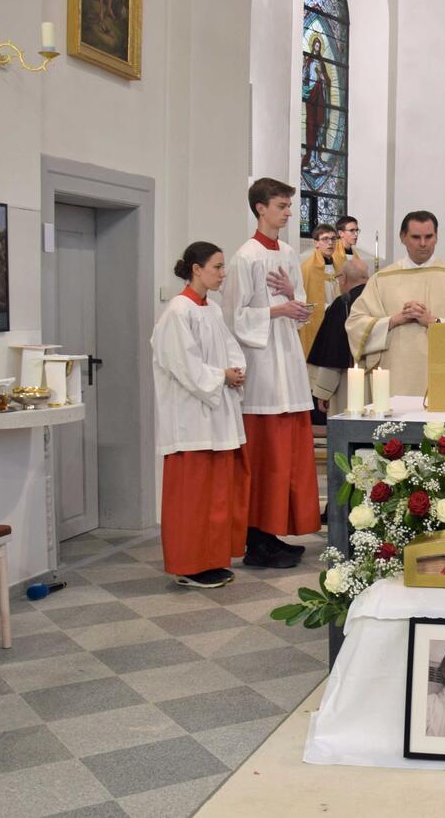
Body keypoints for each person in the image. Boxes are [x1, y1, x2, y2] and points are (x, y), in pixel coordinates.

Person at [221, 177, 320, 569]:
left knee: (288, 457)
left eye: (288, 205)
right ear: (260, 208)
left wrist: (296, 304)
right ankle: (256, 540)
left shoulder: (289, 251)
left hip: (287, 364)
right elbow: (233, 318)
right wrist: (279, 309)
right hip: (262, 371)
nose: (289, 211)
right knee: (265, 457)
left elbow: (293, 310)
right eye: (281, 205)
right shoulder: (245, 257)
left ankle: (273, 533)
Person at [151, 242, 247, 588]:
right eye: (217, 267)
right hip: (189, 419)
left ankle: (211, 559)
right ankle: (188, 564)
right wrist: (221, 376)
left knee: (215, 495)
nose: (223, 274)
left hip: (216, 414)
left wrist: (236, 370)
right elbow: (184, 365)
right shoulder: (178, 311)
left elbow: (230, 348)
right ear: (196, 269)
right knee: (191, 498)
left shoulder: (213, 310)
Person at [345, 211, 445, 397]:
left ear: (437, 237)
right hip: (394, 374)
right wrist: (395, 320)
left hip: (441, 374)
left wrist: (434, 322)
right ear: (403, 237)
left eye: (429, 237)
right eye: (416, 237)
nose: (423, 244)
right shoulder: (382, 279)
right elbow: (355, 324)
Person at [308, 256, 370, 415]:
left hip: (347, 382)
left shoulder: (343, 304)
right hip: (377, 380)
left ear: (343, 279)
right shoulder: (376, 300)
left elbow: (333, 350)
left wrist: (323, 391)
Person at [298, 223, 347, 356]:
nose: (330, 243)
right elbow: (307, 299)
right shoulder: (308, 268)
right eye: (325, 239)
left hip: (337, 319)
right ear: (316, 243)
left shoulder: (340, 266)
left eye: (333, 239)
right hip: (319, 320)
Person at [302, 37, 330, 172]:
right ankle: (311, 159)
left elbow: (327, 80)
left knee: (320, 127)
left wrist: (324, 79)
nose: (318, 47)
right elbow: (304, 77)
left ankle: (317, 159)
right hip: (311, 96)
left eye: (319, 45)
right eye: (316, 45)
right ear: (313, 46)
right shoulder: (309, 61)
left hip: (320, 96)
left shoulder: (322, 63)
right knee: (311, 127)